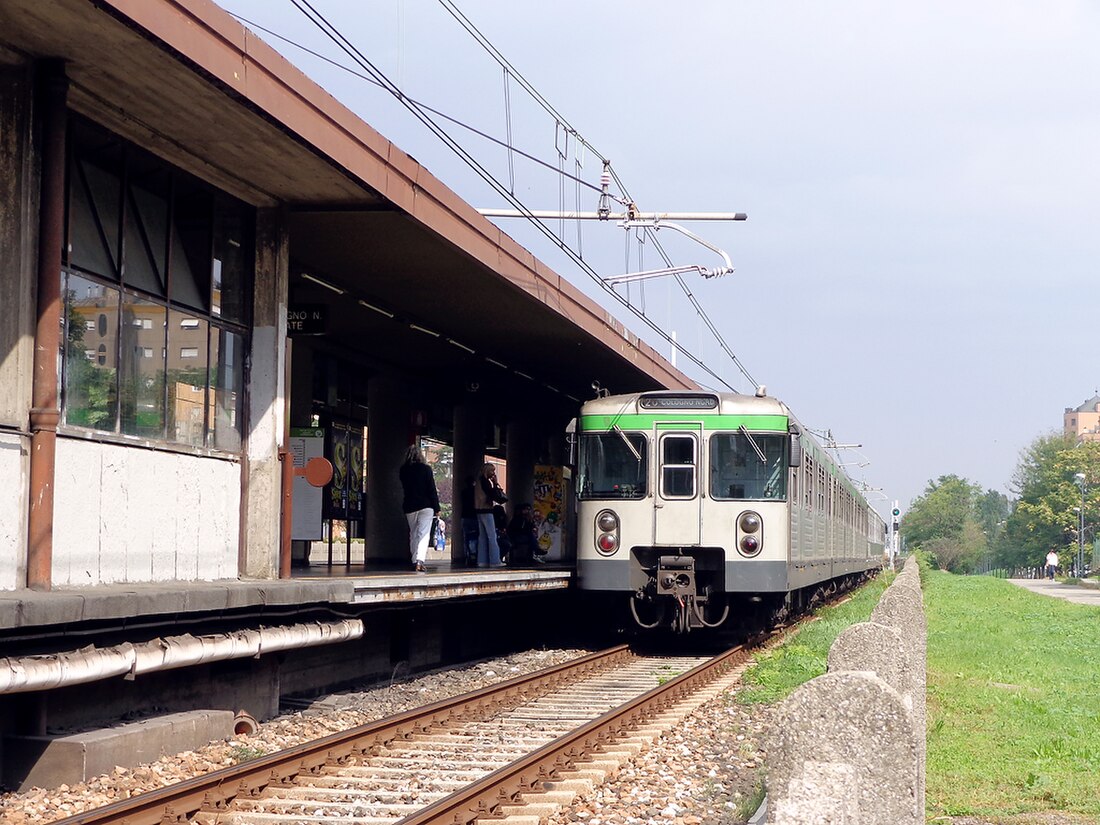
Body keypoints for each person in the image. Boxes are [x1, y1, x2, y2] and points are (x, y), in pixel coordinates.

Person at [399, 444, 440, 573]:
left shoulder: (403, 470)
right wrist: (437, 507)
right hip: (426, 506)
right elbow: (431, 490)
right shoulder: (426, 469)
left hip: (410, 506)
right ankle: (420, 561)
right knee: (424, 533)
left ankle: (413, 560)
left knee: (414, 533)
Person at [474, 462, 506, 567]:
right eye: (492, 470)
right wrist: (495, 483)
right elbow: (492, 494)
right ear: (487, 471)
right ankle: (495, 561)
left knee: (482, 536)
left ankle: (482, 561)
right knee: (492, 536)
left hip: (478, 510)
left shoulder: (478, 481)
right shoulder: (486, 482)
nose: (493, 473)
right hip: (487, 510)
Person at [460, 475, 479, 567]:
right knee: (475, 537)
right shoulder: (476, 492)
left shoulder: (463, 492)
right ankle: (474, 555)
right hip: (474, 517)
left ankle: (467, 556)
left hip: (465, 516)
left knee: (466, 537)